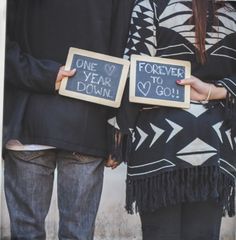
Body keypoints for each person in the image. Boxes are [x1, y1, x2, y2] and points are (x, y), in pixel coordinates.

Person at [4, 0, 134, 239]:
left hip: (27, 121)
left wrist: (45, 74)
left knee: (26, 232)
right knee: (78, 234)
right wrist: (119, 130)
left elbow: (4, 48)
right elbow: (126, 50)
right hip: (88, 124)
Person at [108, 0, 236, 239]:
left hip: (159, 145)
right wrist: (215, 91)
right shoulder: (230, 11)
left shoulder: (150, 6)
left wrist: (118, 141)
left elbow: (132, 72)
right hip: (214, 146)